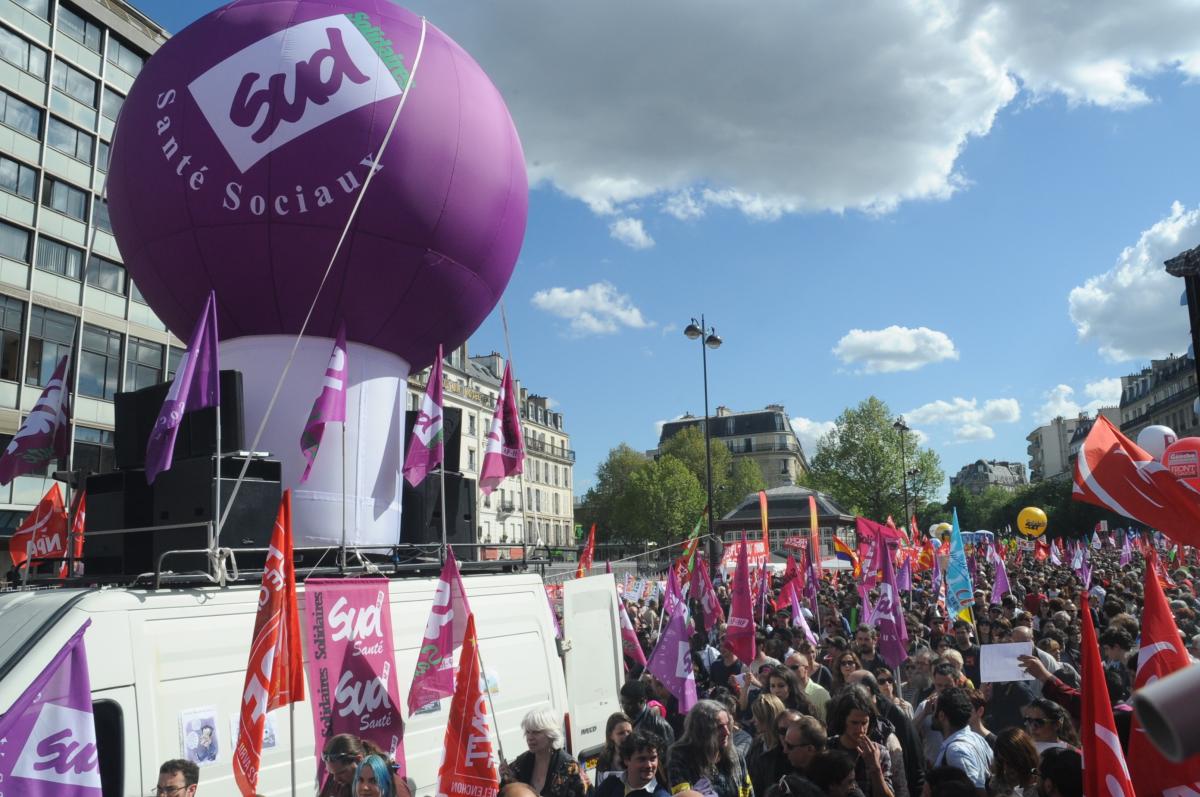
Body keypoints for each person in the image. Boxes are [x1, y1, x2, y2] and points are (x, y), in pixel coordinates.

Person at [666, 699, 752, 797]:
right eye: (719, 727)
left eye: (727, 725)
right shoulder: (681, 757)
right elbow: (683, 794)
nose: (727, 732)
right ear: (702, 730)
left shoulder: (735, 756)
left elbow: (748, 791)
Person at [503, 709, 590, 797]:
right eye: (527, 732)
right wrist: (505, 774)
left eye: (536, 732)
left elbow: (588, 794)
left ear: (551, 734)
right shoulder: (521, 762)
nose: (529, 737)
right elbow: (507, 790)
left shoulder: (570, 766)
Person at [826, 686, 895, 797]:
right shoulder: (828, 749)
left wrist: (875, 768)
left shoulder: (879, 752)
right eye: (854, 723)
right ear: (843, 720)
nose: (860, 730)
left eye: (864, 723)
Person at [931, 688, 991, 796]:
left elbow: (977, 791)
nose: (932, 714)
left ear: (941, 716)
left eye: (934, 709)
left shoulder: (956, 751)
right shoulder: (977, 738)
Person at [595, 731, 670, 797]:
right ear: (626, 759)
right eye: (642, 759)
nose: (649, 765)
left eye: (653, 758)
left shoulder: (660, 795)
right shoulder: (610, 784)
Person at [745, 694, 787, 796]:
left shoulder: (785, 751)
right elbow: (746, 779)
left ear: (768, 718)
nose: (753, 720)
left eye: (757, 716)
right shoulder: (757, 744)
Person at [621, 680, 676, 748]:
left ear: (642, 700)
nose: (625, 707)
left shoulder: (659, 725)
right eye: (623, 703)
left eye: (629, 704)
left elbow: (668, 753)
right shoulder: (622, 721)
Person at [987, 728, 1039, 797]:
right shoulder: (996, 783)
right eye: (1001, 761)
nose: (1005, 767)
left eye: (1010, 762)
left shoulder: (1040, 785)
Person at [784, 651, 830, 721]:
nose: (789, 671)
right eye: (786, 668)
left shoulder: (821, 694)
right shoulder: (784, 691)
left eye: (794, 667)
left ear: (806, 669)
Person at [594, 712, 633, 778]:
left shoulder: (638, 755)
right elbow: (600, 786)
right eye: (621, 733)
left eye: (629, 731)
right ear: (611, 736)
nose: (626, 736)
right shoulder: (604, 760)